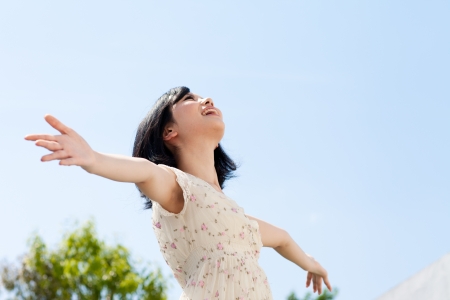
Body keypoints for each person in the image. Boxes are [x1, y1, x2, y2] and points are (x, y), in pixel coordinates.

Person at [25, 86, 332, 299]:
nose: (206, 98)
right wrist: (93, 160)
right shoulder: (177, 188)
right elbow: (144, 171)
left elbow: (281, 238)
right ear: (168, 132)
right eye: (189, 98)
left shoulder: (234, 218)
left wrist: (309, 262)